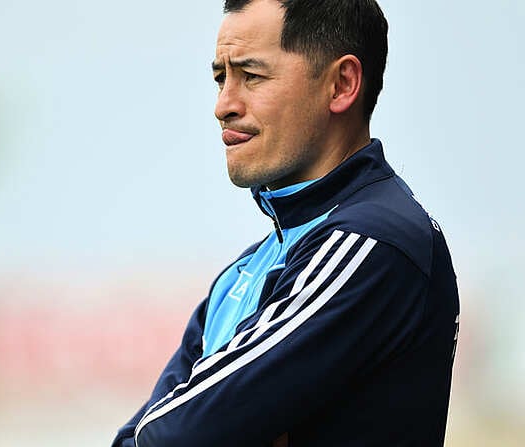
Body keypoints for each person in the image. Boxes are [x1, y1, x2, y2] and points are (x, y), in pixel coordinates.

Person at [112, 0, 459, 445]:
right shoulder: (244, 272)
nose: (223, 105)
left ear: (342, 84)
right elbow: (145, 434)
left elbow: (177, 436)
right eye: (221, 77)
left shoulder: (373, 244)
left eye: (251, 76)